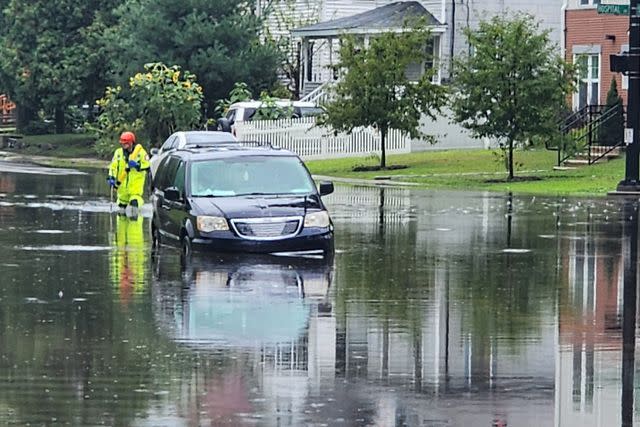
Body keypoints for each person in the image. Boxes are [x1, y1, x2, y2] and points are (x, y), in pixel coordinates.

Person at [107, 131, 150, 215]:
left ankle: (135, 223)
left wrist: (137, 165)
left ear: (131, 143)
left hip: (135, 190)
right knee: (122, 214)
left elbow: (147, 165)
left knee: (134, 206)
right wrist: (111, 177)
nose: (123, 145)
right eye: (122, 143)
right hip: (122, 191)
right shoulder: (118, 153)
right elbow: (113, 167)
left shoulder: (140, 153)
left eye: (126, 143)